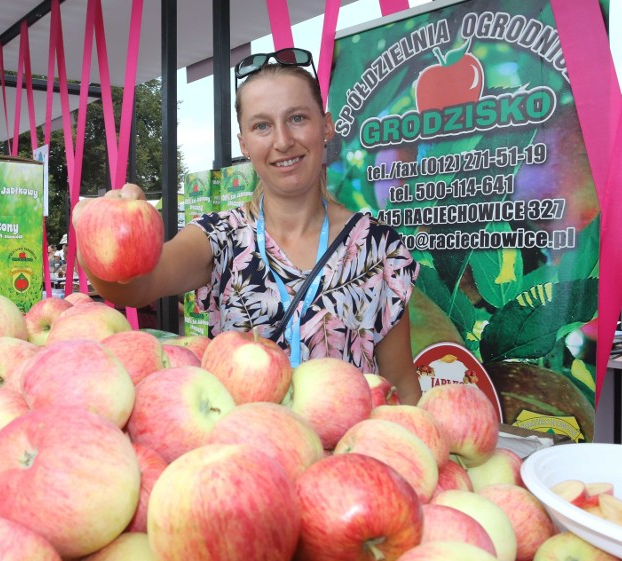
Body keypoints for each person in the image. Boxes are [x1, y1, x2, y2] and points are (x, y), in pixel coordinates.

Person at [85, 49, 421, 404]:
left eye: (297, 118)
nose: (282, 141)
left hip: (345, 454)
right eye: (262, 126)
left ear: (326, 126)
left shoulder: (379, 247)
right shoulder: (220, 237)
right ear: (244, 144)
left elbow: (400, 380)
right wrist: (107, 234)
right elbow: (134, 288)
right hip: (246, 452)